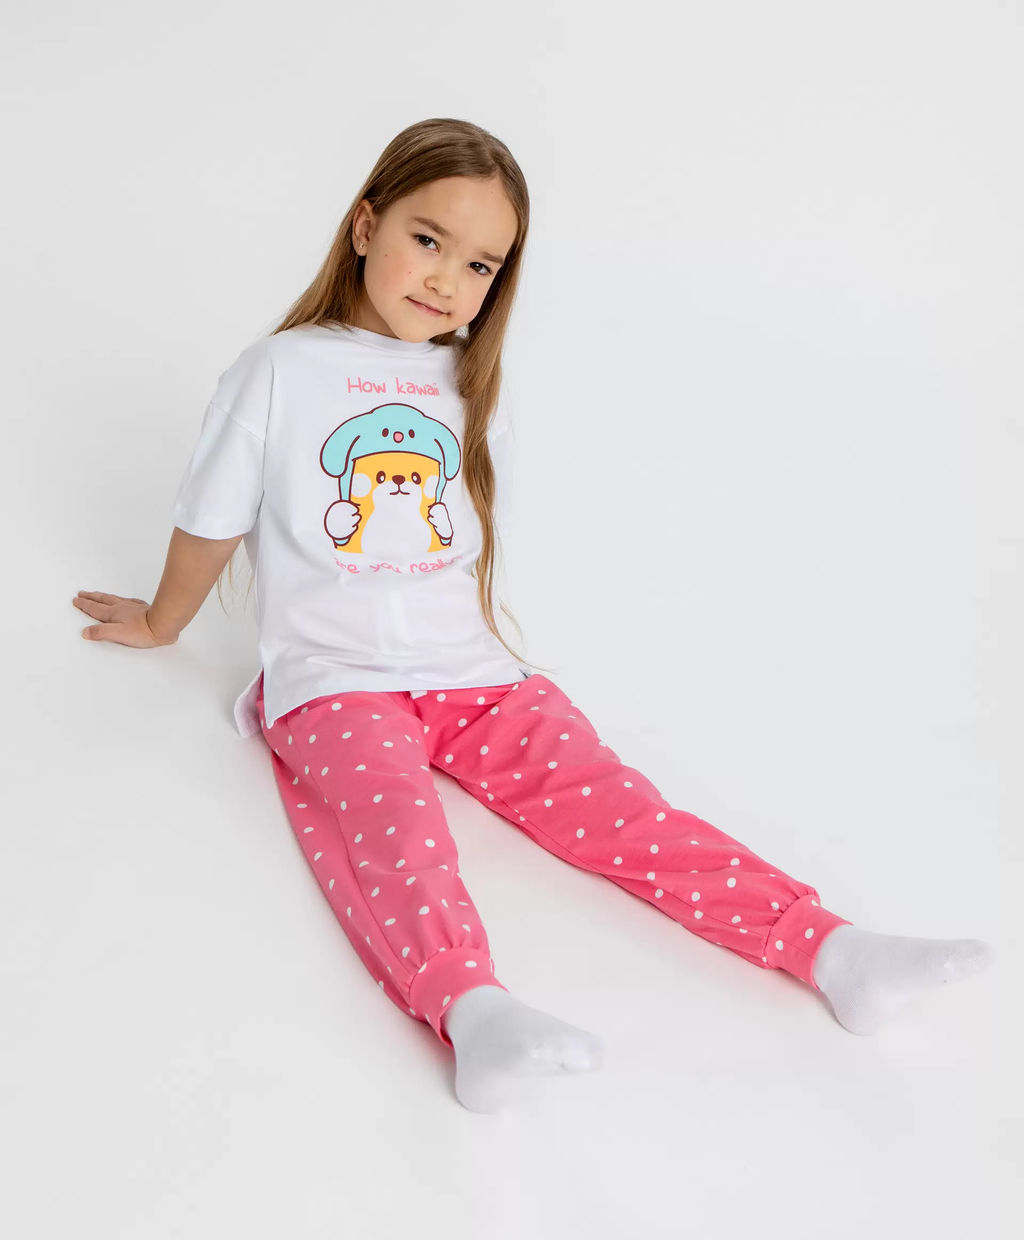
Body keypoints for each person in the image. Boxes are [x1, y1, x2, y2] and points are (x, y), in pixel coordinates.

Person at [72, 117, 994, 1114]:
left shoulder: (469, 381)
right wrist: (164, 622)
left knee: (623, 807)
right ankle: (472, 1011)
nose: (446, 279)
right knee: (397, 831)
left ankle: (828, 948)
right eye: (427, 239)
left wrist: (481, 657)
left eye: (478, 264)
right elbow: (211, 517)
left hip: (474, 675)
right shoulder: (279, 369)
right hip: (335, 683)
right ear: (365, 225)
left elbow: (468, 533)